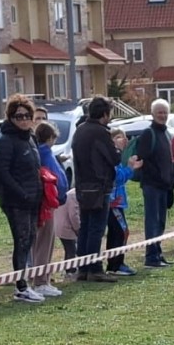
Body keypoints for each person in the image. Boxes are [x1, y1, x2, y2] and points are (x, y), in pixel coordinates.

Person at [0, 95, 45, 303]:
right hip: (16, 201)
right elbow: (2, 172)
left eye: (26, 115)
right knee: (22, 241)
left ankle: (27, 283)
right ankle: (21, 286)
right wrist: (21, 193)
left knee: (30, 238)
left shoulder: (30, 138)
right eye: (18, 116)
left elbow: (35, 168)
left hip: (33, 198)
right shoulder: (6, 140)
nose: (23, 119)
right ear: (11, 117)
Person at [70, 95, 120, 283]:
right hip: (99, 186)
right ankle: (95, 268)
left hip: (82, 185)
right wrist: (118, 149)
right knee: (96, 229)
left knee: (85, 228)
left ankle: (82, 268)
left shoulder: (80, 130)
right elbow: (113, 158)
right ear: (105, 114)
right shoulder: (100, 132)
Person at [29, 121, 69, 297]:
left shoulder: (43, 153)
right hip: (47, 203)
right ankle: (40, 281)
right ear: (50, 137)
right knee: (44, 243)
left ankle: (43, 278)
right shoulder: (44, 154)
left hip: (49, 202)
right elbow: (55, 177)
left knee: (45, 242)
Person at [136, 98, 174, 268]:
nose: (163, 115)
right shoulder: (148, 133)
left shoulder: (166, 134)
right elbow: (143, 159)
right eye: (160, 112)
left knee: (160, 222)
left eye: (165, 112)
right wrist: (159, 177)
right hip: (152, 185)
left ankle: (158, 253)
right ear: (153, 114)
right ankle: (151, 257)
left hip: (164, 185)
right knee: (152, 221)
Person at [106, 128, 141, 276]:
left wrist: (130, 168)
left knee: (118, 232)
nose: (125, 140)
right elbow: (117, 177)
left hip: (117, 201)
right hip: (113, 202)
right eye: (120, 137)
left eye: (126, 137)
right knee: (121, 231)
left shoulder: (118, 156)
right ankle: (115, 265)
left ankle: (116, 263)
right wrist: (130, 167)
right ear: (112, 140)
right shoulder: (113, 156)